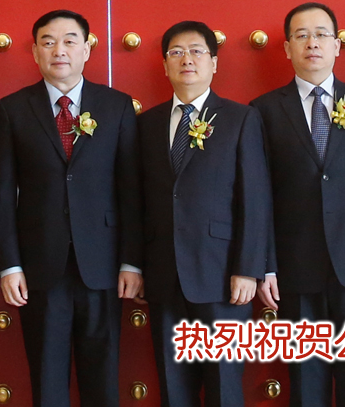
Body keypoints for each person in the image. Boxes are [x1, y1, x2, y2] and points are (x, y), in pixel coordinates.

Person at [0, 10, 143, 407]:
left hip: (103, 265)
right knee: (47, 380)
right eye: (48, 41)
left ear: (86, 50)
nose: (59, 50)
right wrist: (9, 265)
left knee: (102, 378)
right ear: (35, 51)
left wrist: (131, 261)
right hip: (40, 267)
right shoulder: (13, 109)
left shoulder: (116, 106)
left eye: (70, 41)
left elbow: (131, 190)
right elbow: (1, 194)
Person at [251, 2, 345, 407]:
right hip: (295, 267)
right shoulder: (264, 110)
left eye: (321, 34)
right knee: (306, 384)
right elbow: (259, 196)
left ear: (337, 45)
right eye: (301, 35)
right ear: (287, 48)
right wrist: (265, 264)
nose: (312, 43)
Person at [137, 21, 271, 407]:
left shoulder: (240, 119)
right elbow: (136, 200)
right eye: (177, 52)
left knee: (223, 386)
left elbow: (255, 198)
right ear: (165, 64)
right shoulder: (146, 124)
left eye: (197, 51)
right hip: (164, 275)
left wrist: (248, 268)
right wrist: (137, 264)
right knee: (173, 388)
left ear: (214, 63)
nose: (187, 60)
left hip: (222, 276)